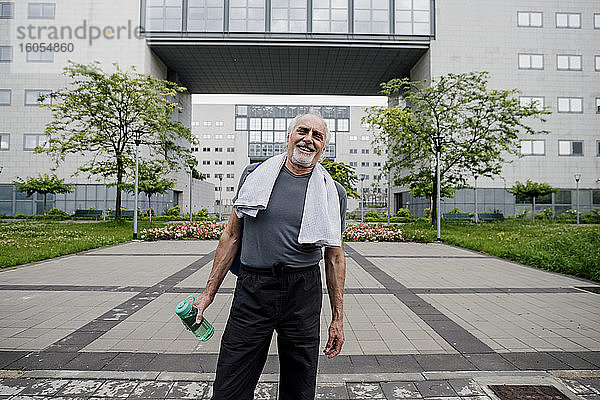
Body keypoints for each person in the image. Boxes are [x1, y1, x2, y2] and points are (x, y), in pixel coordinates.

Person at [192, 113, 347, 400]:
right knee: (230, 383)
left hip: (303, 291)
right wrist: (207, 294)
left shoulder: (333, 192)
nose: (309, 139)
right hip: (254, 288)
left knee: (300, 386)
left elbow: (335, 257)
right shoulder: (254, 175)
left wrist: (337, 317)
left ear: (324, 146)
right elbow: (231, 235)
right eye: (303, 131)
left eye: (318, 135)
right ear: (289, 136)